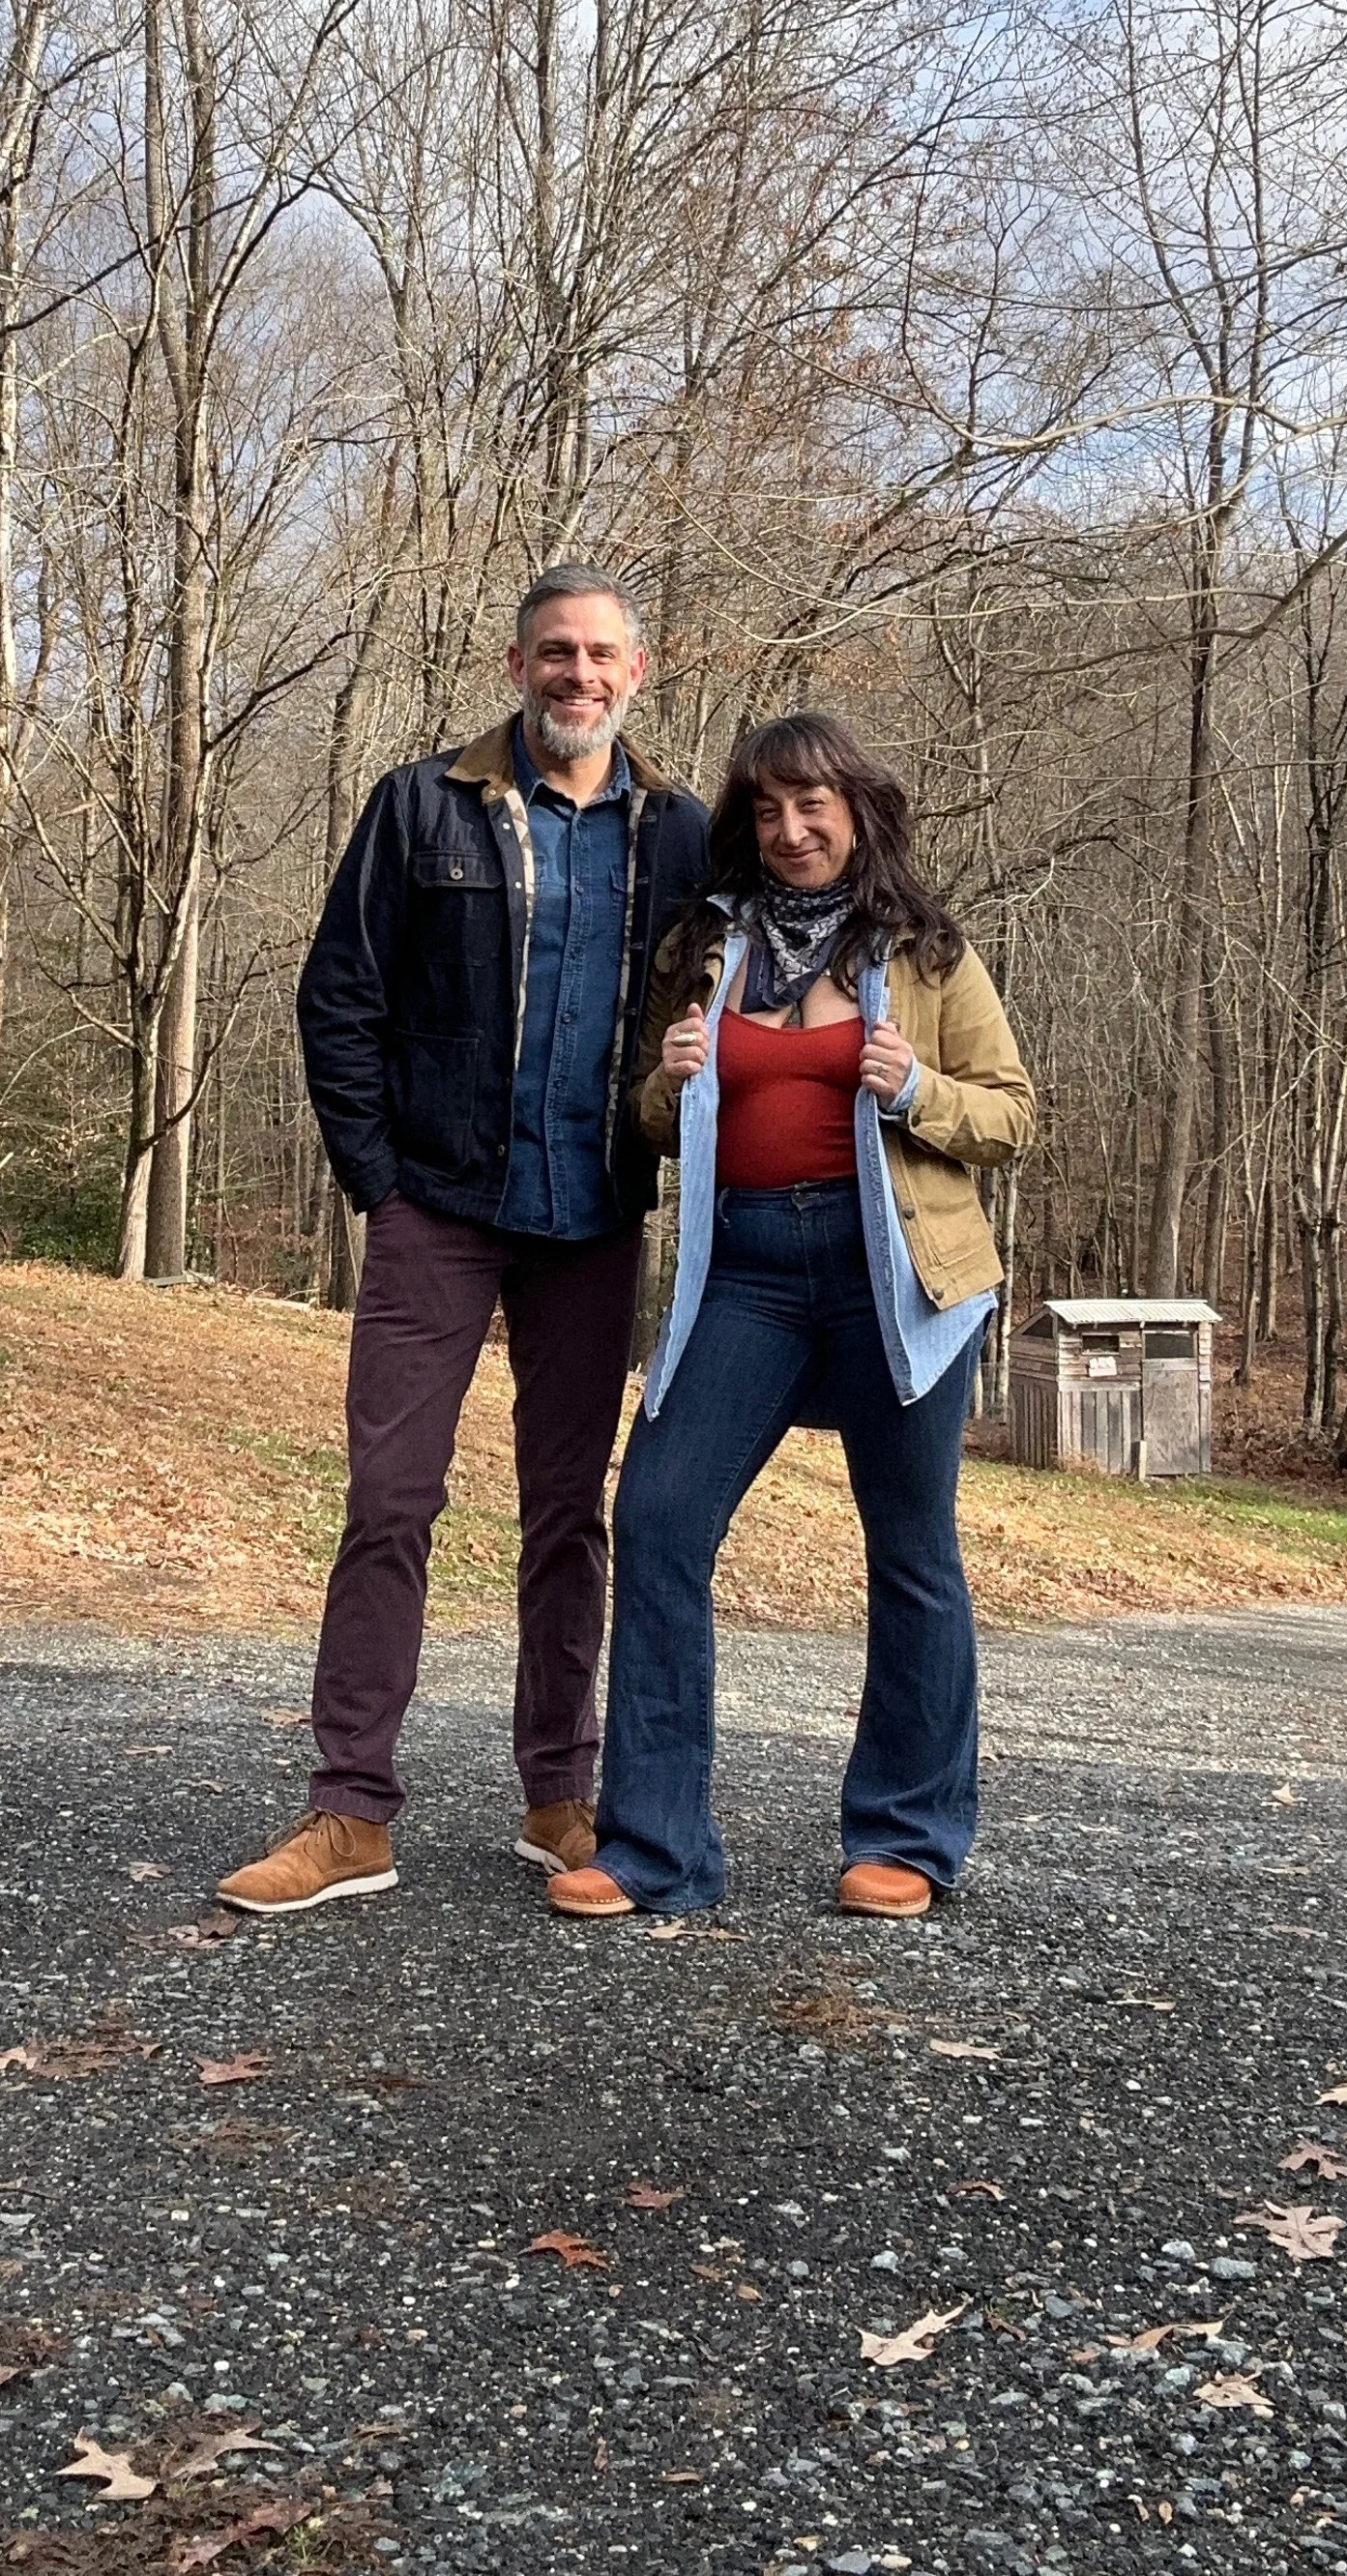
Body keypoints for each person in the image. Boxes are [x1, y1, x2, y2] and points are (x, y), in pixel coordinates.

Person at [218, 566, 710, 1916]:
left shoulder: (681, 833)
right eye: (556, 651)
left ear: (638, 670)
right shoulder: (421, 804)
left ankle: (563, 1794)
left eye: (602, 653)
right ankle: (349, 1812)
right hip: (438, 1208)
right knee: (390, 1502)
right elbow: (341, 994)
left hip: (595, 1214)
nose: (579, 674)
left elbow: (745, 986)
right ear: (517, 664)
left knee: (571, 1519)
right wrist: (380, 1181)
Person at [544, 711, 1033, 1926]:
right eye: (765, 809)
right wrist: (666, 1085)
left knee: (910, 1552)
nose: (789, 828)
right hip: (745, 1276)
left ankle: (908, 1839)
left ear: (858, 809)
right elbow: (653, 1123)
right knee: (656, 1519)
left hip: (898, 1279)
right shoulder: (708, 948)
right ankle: (654, 1847)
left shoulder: (925, 955)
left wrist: (917, 1087)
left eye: (812, 803)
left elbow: (1014, 1116)